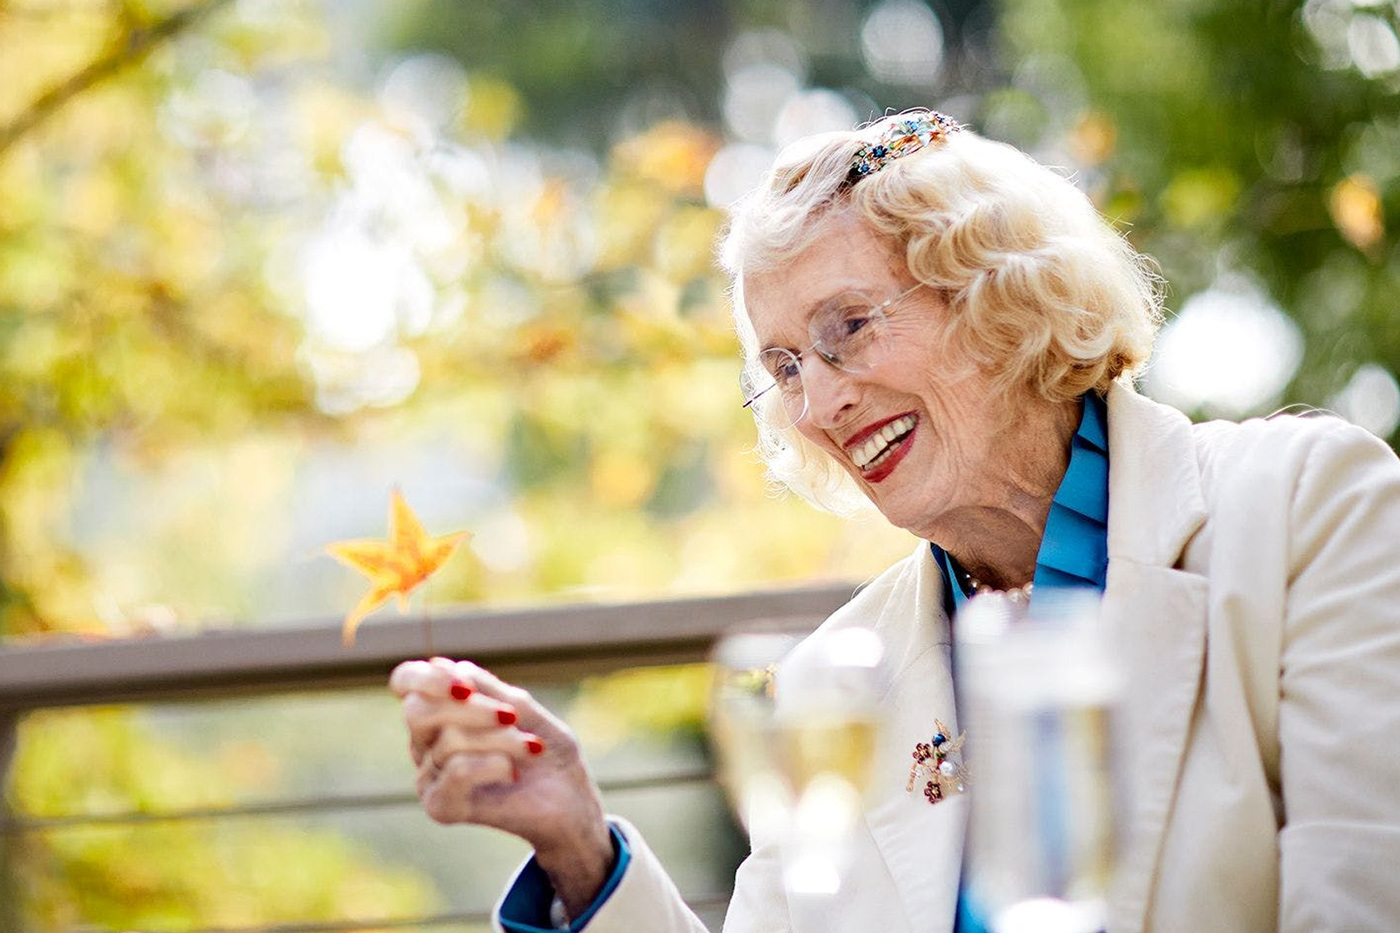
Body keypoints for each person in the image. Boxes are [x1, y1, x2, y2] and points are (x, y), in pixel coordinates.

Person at [388, 110, 1400, 933]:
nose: (818, 404)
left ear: (996, 291)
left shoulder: (1306, 503)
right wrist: (578, 849)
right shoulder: (827, 684)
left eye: (847, 332)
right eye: (782, 369)